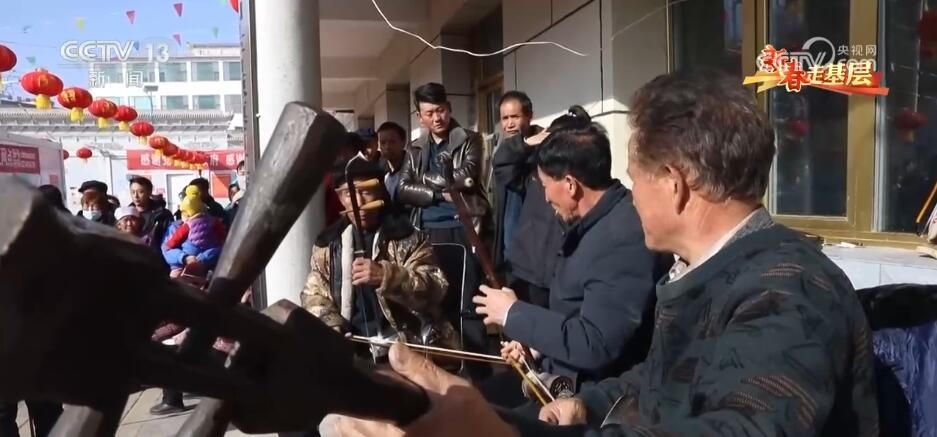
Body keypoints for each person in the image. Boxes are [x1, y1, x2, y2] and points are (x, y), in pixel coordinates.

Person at [326, 69, 879, 437]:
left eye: (636, 178)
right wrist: (586, 405)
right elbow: (662, 376)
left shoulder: (787, 289)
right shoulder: (708, 269)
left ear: (674, 184)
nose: (628, 194)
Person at [475, 106, 668, 409]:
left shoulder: (622, 238)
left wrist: (513, 314)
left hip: (592, 397)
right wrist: (534, 344)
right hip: (559, 371)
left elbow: (596, 343)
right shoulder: (591, 222)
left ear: (570, 185)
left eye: (544, 186)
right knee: (473, 399)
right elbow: (575, 310)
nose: (545, 197)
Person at [301, 158, 456, 362]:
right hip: (354, 348)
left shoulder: (406, 237)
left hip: (406, 347)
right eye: (349, 194)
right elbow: (314, 294)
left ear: (380, 191)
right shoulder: (328, 244)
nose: (359, 202)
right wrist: (333, 327)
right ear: (340, 198)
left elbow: (435, 286)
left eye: (366, 191)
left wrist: (386, 276)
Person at [396, 82, 491, 381]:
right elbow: (402, 188)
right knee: (432, 302)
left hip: (461, 227)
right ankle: (441, 372)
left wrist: (424, 181)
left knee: (467, 302)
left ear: (449, 108)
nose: (437, 118)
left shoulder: (469, 139)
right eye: (429, 113)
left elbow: (466, 177)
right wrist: (439, 193)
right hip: (425, 231)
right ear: (420, 117)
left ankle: (478, 373)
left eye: (441, 110)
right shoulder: (415, 148)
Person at [489, 91, 556, 308]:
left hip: (536, 253)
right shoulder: (508, 150)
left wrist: (529, 145)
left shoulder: (545, 148)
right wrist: (524, 144)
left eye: (515, 117)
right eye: (505, 118)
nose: (509, 124)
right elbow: (501, 163)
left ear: (529, 116)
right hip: (510, 249)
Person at [162, 186, 226, 277]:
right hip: (183, 267)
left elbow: (223, 245)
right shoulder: (175, 227)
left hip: (209, 268)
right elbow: (167, 250)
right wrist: (184, 258)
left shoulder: (210, 222)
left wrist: (203, 257)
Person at [128, 176, 174, 252]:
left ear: (149, 192)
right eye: (133, 192)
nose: (136, 196)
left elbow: (171, 238)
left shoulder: (163, 214)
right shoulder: (126, 215)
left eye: (140, 192)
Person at [376, 121, 408, 201]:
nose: (387, 147)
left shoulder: (415, 169)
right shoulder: (378, 171)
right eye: (383, 143)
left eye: (392, 142)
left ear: (403, 142)